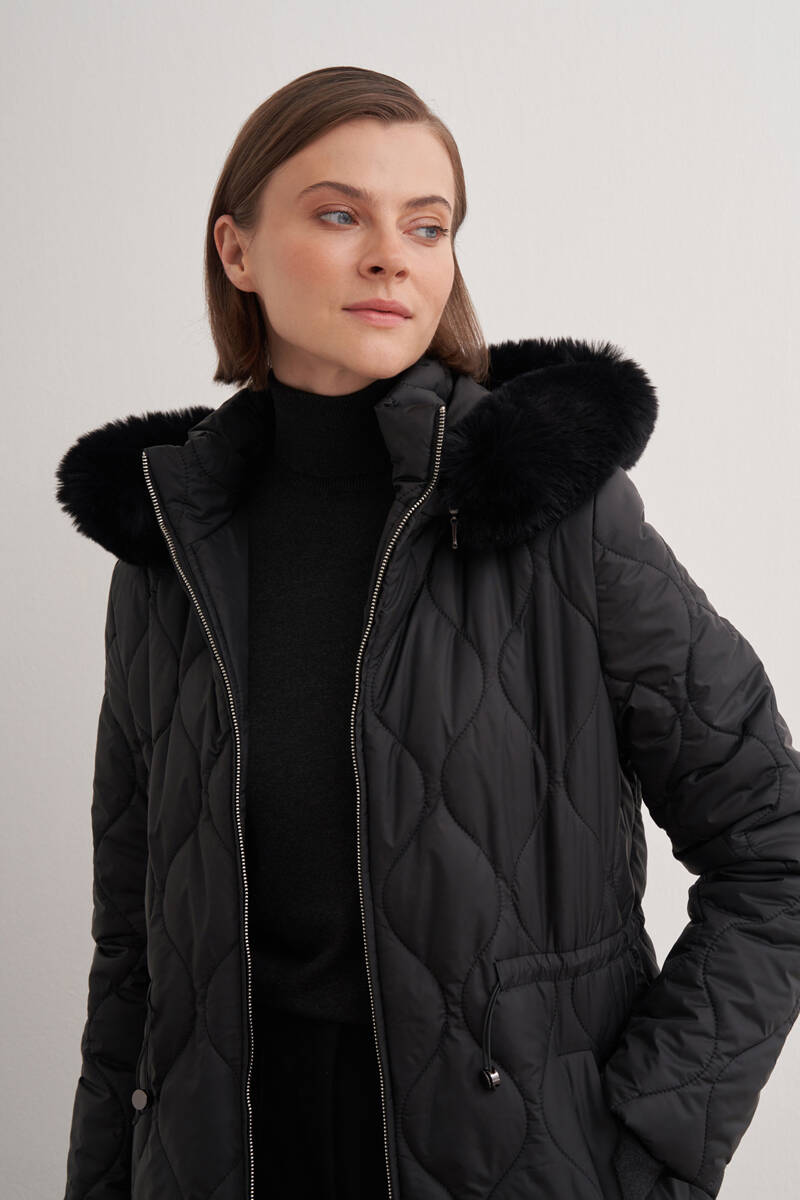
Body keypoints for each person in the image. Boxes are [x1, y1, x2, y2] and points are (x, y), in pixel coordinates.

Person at [55, 65, 800, 1200]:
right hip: (223, 1158)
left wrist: (647, 1138)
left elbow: (774, 847)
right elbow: (133, 951)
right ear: (237, 250)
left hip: (510, 1165)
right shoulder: (169, 548)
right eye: (338, 214)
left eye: (426, 224)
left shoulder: (555, 515)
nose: (390, 257)